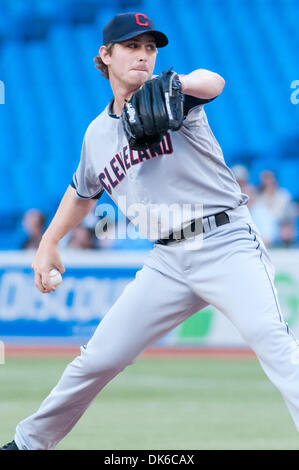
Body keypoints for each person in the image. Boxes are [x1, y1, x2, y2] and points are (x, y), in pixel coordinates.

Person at [2, 12, 299, 451]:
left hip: (225, 242)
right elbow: (82, 192)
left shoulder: (171, 94)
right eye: (132, 46)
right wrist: (49, 241)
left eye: (150, 47)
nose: (143, 55)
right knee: (98, 358)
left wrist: (178, 85)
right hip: (168, 262)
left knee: (273, 341)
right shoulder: (96, 136)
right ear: (105, 55)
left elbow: (213, 81)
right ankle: (28, 443)